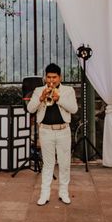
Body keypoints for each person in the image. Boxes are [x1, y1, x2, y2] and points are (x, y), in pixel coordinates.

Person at [27, 63, 78, 206]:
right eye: (48, 77)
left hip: (63, 130)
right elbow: (30, 109)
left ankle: (63, 193)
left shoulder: (68, 90)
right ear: (45, 77)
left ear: (60, 77)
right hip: (45, 130)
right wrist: (41, 98)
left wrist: (58, 99)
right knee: (48, 164)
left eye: (54, 77)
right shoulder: (39, 90)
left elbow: (74, 109)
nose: (51, 80)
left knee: (64, 163)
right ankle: (45, 194)